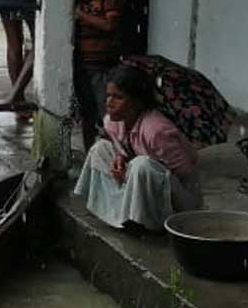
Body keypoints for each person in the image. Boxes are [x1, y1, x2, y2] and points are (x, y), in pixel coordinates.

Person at [74, 64, 202, 232]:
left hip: (178, 200)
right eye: (108, 96)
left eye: (118, 97)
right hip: (137, 183)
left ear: (137, 103)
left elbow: (184, 174)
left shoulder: (156, 131)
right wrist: (120, 159)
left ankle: (146, 221)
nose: (109, 103)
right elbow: (122, 147)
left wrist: (135, 173)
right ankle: (119, 213)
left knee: (143, 165)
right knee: (100, 149)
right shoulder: (111, 122)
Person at [73, 0, 126, 150]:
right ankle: (90, 153)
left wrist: (80, 14)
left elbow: (110, 24)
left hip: (101, 60)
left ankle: (113, 153)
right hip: (83, 59)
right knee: (86, 110)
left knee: (106, 112)